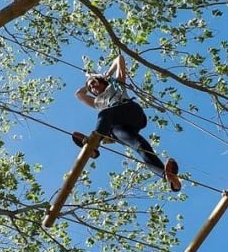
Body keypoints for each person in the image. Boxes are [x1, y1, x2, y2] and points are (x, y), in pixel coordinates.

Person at [74, 55, 181, 192]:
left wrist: (106, 74)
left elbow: (119, 59)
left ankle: (94, 143)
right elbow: (79, 94)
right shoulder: (97, 102)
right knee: (139, 145)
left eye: (94, 84)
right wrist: (88, 82)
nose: (93, 88)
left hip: (131, 113)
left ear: (102, 82)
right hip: (118, 127)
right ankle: (168, 177)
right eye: (91, 88)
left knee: (105, 114)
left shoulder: (117, 85)